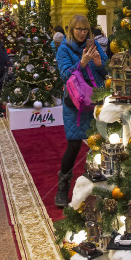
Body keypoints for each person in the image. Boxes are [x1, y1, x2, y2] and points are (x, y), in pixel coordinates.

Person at [55, 15, 107, 207]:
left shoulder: (94, 46)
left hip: (96, 99)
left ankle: (100, 183)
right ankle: (62, 187)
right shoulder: (64, 49)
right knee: (74, 144)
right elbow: (65, 75)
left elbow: (105, 69)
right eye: (78, 29)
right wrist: (82, 63)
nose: (82, 33)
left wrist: (99, 62)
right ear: (71, 30)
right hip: (76, 102)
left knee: (101, 141)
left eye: (85, 29)